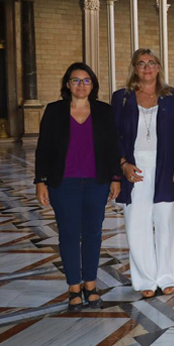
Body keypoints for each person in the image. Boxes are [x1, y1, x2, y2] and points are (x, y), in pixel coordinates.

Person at [35, 63, 121, 311]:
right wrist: (41, 181)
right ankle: (74, 286)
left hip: (97, 182)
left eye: (86, 80)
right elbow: (44, 149)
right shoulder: (54, 111)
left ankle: (91, 285)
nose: (81, 85)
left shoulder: (104, 111)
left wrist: (115, 178)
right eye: (76, 80)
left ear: (93, 85)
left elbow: (112, 148)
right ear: (67, 84)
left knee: (93, 234)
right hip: (64, 184)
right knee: (69, 235)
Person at [112, 49, 174, 298]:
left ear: (159, 67)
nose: (147, 68)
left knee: (165, 222)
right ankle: (146, 279)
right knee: (137, 224)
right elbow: (112, 136)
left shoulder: (172, 96)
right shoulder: (121, 98)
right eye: (141, 63)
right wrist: (123, 164)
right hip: (133, 168)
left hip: (165, 167)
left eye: (152, 63)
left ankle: (167, 276)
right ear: (134, 68)